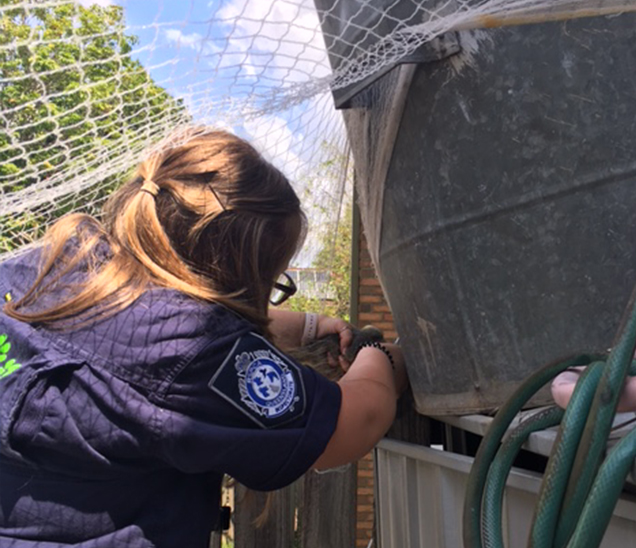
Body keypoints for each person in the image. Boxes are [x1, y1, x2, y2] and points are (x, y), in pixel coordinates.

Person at [0, 126, 408, 547]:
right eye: (271, 281)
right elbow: (353, 424)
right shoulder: (193, 350)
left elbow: (121, 325)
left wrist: (307, 325)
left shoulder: (42, 268)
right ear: (236, 274)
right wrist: (378, 354)